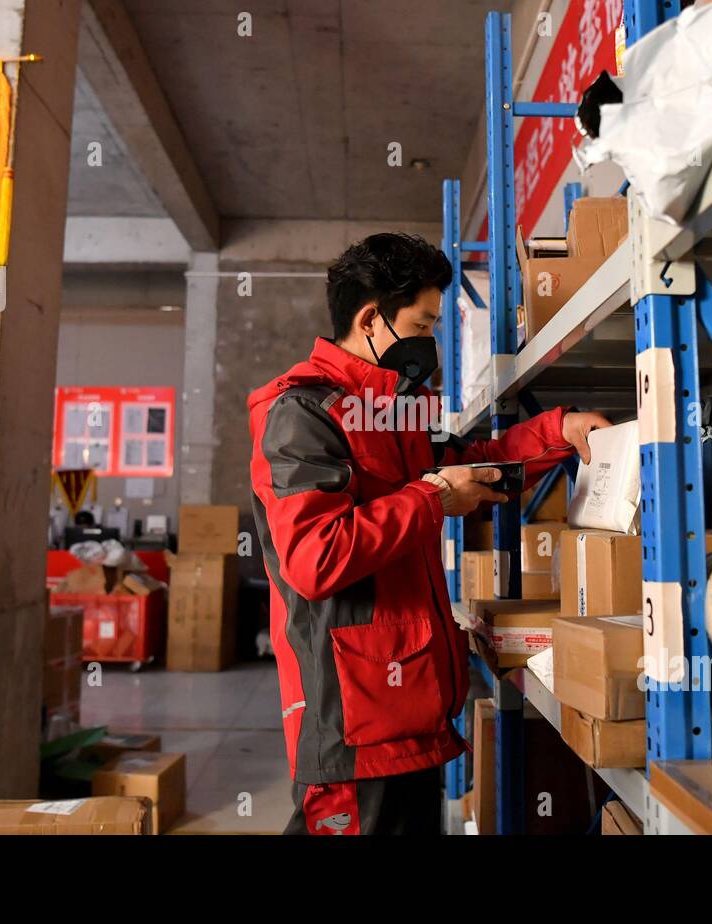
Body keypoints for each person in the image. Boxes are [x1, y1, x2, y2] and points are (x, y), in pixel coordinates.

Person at [247, 233, 611, 835]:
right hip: (354, 722)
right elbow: (315, 557)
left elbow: (471, 457)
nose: (430, 343)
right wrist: (436, 496)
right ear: (370, 320)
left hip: (408, 705)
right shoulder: (301, 414)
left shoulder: (391, 410)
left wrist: (558, 430)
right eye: (422, 324)